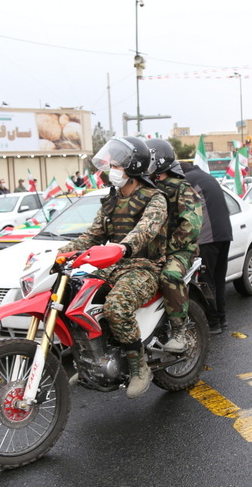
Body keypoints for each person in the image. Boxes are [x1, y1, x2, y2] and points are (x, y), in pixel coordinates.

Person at [58, 137, 167, 399]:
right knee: (73, 298)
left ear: (133, 168)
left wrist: (122, 247)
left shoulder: (155, 199)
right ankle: (90, 361)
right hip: (112, 264)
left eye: (117, 164)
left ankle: (139, 366)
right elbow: (91, 236)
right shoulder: (111, 200)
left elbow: (145, 231)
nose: (111, 168)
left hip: (144, 266)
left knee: (116, 306)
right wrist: (59, 254)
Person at [146, 138, 203, 353]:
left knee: (169, 276)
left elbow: (192, 226)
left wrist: (167, 248)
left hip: (178, 251)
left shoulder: (182, 189)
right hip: (149, 252)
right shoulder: (145, 189)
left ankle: (179, 330)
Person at [180, 161, 233, 334]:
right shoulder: (207, 177)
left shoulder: (187, 179)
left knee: (206, 281)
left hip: (207, 237)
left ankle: (213, 323)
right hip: (224, 234)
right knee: (218, 279)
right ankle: (222, 319)